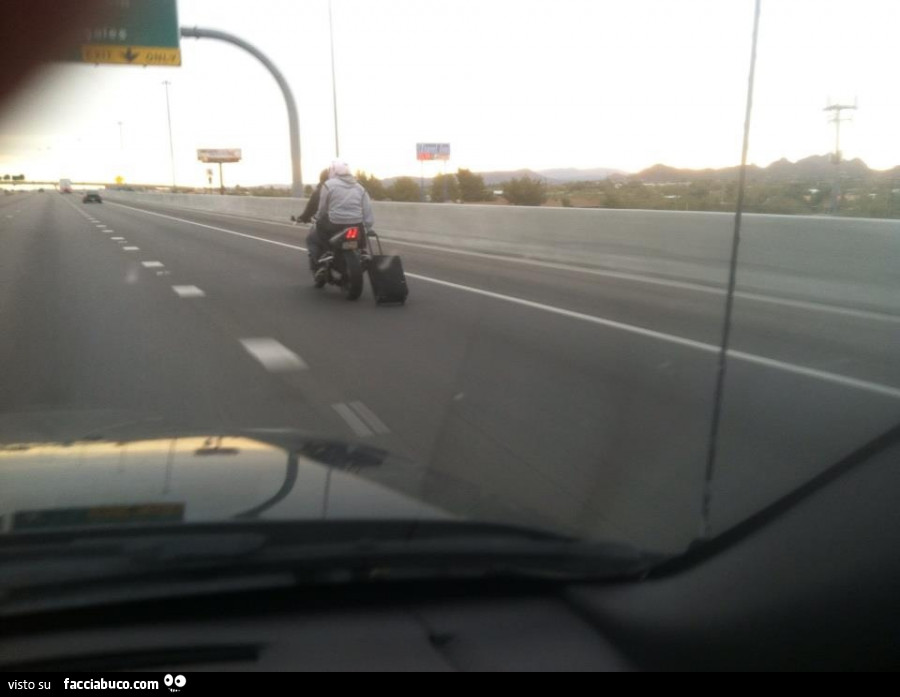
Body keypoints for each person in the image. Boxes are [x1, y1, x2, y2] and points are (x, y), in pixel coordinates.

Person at [306, 160, 375, 278]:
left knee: (315, 232)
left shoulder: (328, 185)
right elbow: (367, 210)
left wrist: (316, 218)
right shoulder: (360, 187)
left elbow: (322, 209)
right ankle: (362, 251)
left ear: (333, 171)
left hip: (334, 223)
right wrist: (368, 227)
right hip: (356, 223)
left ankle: (327, 251)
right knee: (361, 232)